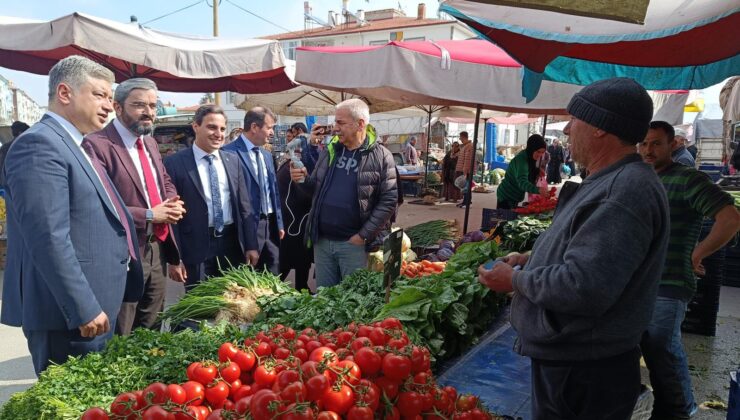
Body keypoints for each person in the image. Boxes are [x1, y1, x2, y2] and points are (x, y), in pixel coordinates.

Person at [478, 78, 669, 420]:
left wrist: (516, 280)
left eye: (575, 120)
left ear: (599, 129)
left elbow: (585, 286)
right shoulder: (610, 181)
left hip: (584, 371)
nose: (566, 129)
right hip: (579, 362)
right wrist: (530, 258)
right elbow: (585, 252)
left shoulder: (624, 192)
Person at [1, 55, 144, 375]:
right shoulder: (39, 144)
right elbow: (48, 236)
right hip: (71, 317)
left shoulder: (79, 144)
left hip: (95, 309)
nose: (109, 105)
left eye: (111, 97)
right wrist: (82, 306)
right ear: (65, 93)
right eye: (99, 95)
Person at [638, 120, 740, 419]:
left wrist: (699, 252)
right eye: (644, 143)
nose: (648, 150)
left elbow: (731, 218)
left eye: (656, 143)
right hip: (638, 283)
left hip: (671, 281)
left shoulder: (688, 179)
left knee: (661, 347)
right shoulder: (640, 177)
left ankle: (680, 409)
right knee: (644, 346)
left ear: (673, 145)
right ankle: (664, 407)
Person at [84, 78, 185, 336]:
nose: (149, 112)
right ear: (117, 107)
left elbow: (163, 179)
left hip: (158, 247)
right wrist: (150, 214)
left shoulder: (149, 143)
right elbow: (99, 205)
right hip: (125, 251)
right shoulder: (97, 144)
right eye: (139, 105)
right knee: (122, 329)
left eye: (153, 105)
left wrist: (171, 202)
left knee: (151, 326)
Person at [290, 98, 397, 287]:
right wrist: (302, 180)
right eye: (335, 122)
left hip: (353, 245)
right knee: (324, 298)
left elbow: (388, 201)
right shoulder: (332, 150)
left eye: (341, 122)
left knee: (352, 302)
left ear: (360, 124)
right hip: (322, 241)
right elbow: (314, 187)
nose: (335, 128)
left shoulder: (381, 156)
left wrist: (363, 236)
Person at [164, 105, 259, 289]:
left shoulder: (233, 160)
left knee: (233, 303)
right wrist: (174, 258)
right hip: (196, 248)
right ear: (196, 126)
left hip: (232, 245)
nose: (218, 134)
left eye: (222, 129)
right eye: (212, 127)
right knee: (200, 308)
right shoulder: (174, 163)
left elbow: (245, 206)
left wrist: (251, 245)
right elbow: (171, 217)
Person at [223, 107, 284, 275]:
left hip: (270, 226)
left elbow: (273, 190)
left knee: (273, 275)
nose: (272, 133)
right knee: (248, 281)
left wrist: (279, 222)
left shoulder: (266, 155)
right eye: (269, 127)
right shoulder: (228, 153)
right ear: (255, 127)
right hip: (246, 228)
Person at [277, 144, 314, 291]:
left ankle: (301, 288)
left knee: (301, 262)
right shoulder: (292, 169)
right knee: (288, 262)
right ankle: (272, 290)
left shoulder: (286, 166)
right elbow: (304, 194)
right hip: (293, 222)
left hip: (293, 222)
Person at [496, 134, 550, 209]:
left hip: (515, 195)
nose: (540, 155)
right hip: (506, 195)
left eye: (542, 152)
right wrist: (539, 190)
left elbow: (528, 170)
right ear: (532, 148)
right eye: (538, 152)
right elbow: (522, 183)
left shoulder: (529, 156)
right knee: (504, 218)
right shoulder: (521, 160)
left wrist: (537, 171)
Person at [0, 121, 30, 189]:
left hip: (5, 185)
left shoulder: (5, 147)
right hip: (15, 186)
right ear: (20, 133)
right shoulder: (24, 147)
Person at [455, 131, 474, 208]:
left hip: (467, 171)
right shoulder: (465, 146)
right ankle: (465, 202)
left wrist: (465, 171)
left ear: (463, 137)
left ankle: (467, 203)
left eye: (460, 137)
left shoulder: (469, 146)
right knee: (465, 187)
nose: (460, 139)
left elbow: (468, 160)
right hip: (465, 170)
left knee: (467, 187)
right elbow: (454, 155)